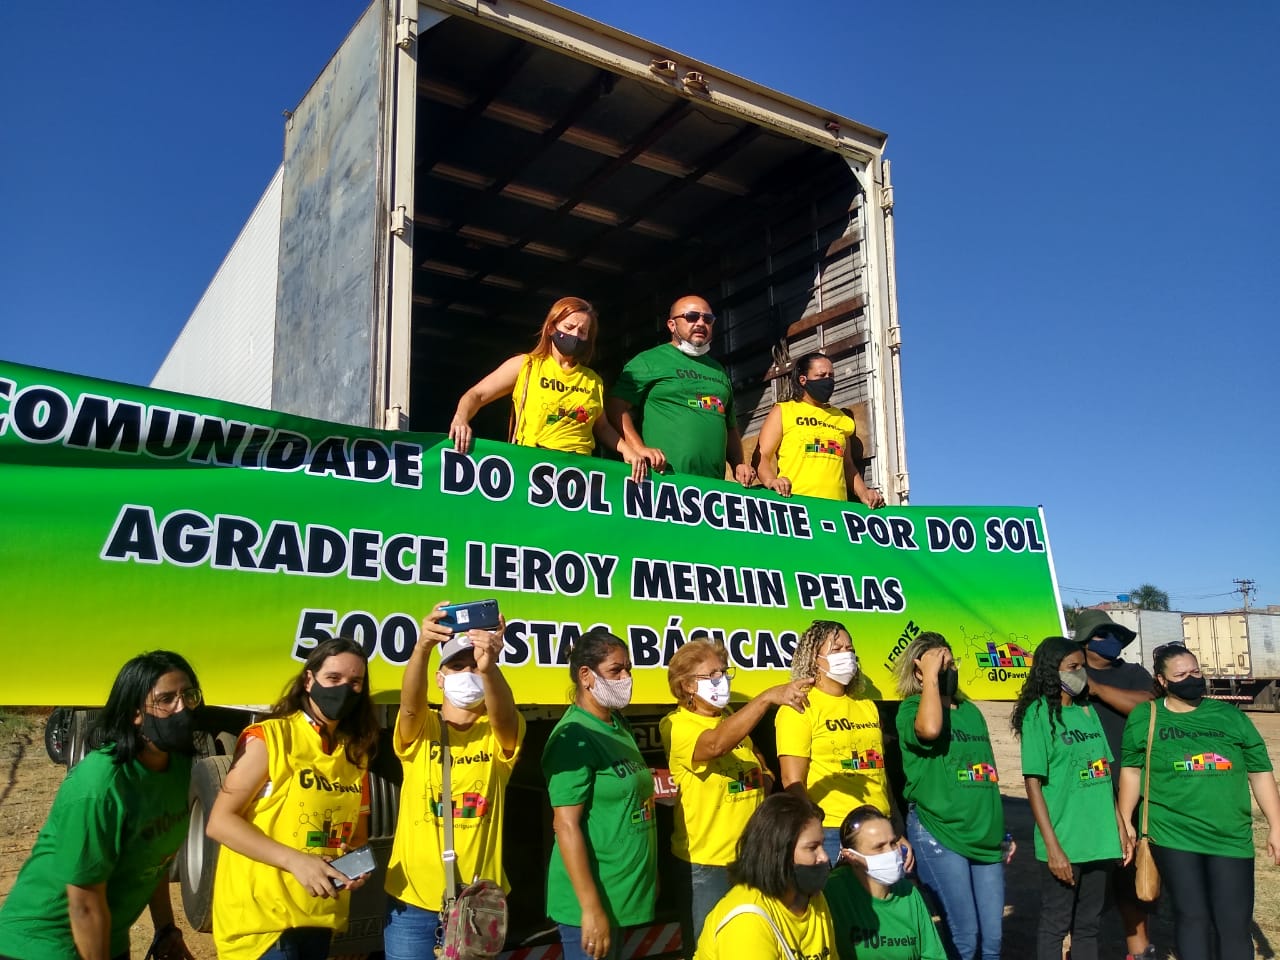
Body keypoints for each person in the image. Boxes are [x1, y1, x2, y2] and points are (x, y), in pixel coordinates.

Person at [0, 652, 201, 960]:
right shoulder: (100, 785)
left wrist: (165, 929)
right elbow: (84, 904)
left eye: (188, 695)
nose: (182, 707)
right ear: (135, 714)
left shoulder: (177, 768)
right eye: (166, 699)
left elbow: (156, 857)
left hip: (107, 938)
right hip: (42, 945)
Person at [207, 638, 379, 960]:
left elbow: (356, 838)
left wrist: (354, 867)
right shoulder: (269, 738)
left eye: (355, 682)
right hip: (263, 927)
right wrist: (296, 861)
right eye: (333, 678)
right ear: (309, 680)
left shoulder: (356, 755)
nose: (344, 689)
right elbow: (220, 822)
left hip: (318, 917)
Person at [1118, 643, 1280, 960]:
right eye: (1181, 675)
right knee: (1192, 917)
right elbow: (1132, 772)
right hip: (1173, 833)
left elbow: (1260, 773)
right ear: (1162, 681)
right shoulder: (1146, 716)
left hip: (1230, 835)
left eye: (1195, 671)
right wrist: (1125, 821)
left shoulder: (1230, 717)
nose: (1191, 678)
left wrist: (1276, 825)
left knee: (1233, 924)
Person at [382, 602, 525, 960]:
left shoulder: (497, 733)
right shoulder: (422, 728)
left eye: (473, 665)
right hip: (412, 904)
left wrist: (490, 667)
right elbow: (410, 705)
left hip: (478, 905)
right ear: (439, 678)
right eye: (457, 666)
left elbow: (505, 715)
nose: (468, 672)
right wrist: (422, 647)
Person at [660, 638, 813, 954]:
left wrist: (765, 783)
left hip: (751, 858)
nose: (721, 680)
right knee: (709, 948)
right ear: (687, 685)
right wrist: (767, 697)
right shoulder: (676, 725)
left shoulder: (729, 716)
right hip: (708, 865)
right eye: (711, 675)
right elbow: (715, 745)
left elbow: (761, 768)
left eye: (724, 671)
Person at [1011, 636, 1133, 960]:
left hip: (1100, 840)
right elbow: (1033, 784)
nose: (1080, 673)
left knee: (1089, 925)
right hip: (1065, 840)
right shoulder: (1038, 715)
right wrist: (1052, 847)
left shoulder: (1087, 711)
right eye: (1072, 667)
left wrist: (1120, 828)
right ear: (1052, 670)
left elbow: (1104, 776)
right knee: (1056, 923)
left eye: (1082, 666)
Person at [893, 632, 1009, 960]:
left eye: (950, 662)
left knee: (992, 940)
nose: (948, 668)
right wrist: (931, 678)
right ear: (918, 671)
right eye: (939, 664)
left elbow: (987, 775)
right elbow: (930, 730)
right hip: (939, 832)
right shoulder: (910, 710)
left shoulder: (970, 711)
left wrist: (1000, 830)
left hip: (984, 838)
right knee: (964, 937)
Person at [543, 628, 657, 960]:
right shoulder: (572, 737)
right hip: (591, 904)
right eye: (615, 670)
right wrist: (591, 909)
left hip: (622, 897)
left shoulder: (617, 725)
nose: (626, 678)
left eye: (628, 669)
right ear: (586, 676)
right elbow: (565, 825)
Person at [447, 296, 646, 480]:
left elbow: (601, 426)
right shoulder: (526, 365)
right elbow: (477, 394)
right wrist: (461, 418)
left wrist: (627, 450)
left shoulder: (593, 380)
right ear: (551, 327)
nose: (575, 335)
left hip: (579, 473)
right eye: (569, 327)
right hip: (532, 466)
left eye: (582, 331)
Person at [777, 620, 904, 865]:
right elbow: (791, 780)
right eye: (836, 649)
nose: (846, 654)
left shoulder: (866, 705)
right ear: (814, 658)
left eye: (850, 649)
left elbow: (880, 772)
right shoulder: (799, 707)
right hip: (834, 830)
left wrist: (895, 831)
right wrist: (813, 831)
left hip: (880, 825)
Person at [1073, 609, 1156, 960]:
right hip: (1085, 794)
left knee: (1131, 884)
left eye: (1115, 634)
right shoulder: (1069, 673)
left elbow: (1148, 707)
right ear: (1084, 641)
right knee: (1080, 886)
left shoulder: (1133, 673)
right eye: (1101, 634)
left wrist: (1095, 688)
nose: (1111, 641)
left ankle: (1139, 952)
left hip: (1131, 791)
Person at [605, 294, 754, 483]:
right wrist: (638, 448)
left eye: (708, 319)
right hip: (663, 481)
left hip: (712, 486)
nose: (700, 323)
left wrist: (738, 463)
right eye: (692, 317)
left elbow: (729, 425)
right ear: (671, 325)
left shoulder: (719, 371)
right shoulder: (649, 360)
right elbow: (615, 407)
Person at [694, 793, 835, 960]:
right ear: (778, 852)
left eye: (822, 845)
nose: (824, 857)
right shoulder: (747, 920)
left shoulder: (814, 900)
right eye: (812, 848)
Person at [755, 352, 885, 506]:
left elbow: (848, 465)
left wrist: (864, 493)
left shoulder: (841, 418)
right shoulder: (784, 411)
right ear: (803, 380)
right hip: (796, 506)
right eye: (821, 375)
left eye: (831, 376)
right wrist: (771, 481)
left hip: (836, 509)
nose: (828, 380)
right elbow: (762, 456)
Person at [827, 805, 947, 960]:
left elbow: (932, 955)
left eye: (892, 843)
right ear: (851, 857)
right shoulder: (832, 892)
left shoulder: (908, 892)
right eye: (879, 847)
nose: (891, 852)